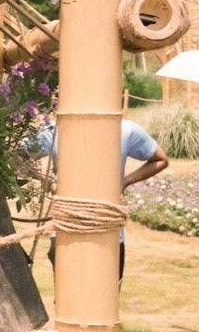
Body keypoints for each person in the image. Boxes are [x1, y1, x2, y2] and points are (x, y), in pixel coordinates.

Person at [36, 117, 168, 281]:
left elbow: (160, 159)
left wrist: (126, 181)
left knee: (106, 294)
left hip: (107, 233)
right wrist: (51, 182)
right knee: (69, 295)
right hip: (67, 230)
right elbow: (18, 157)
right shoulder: (53, 129)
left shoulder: (125, 129)